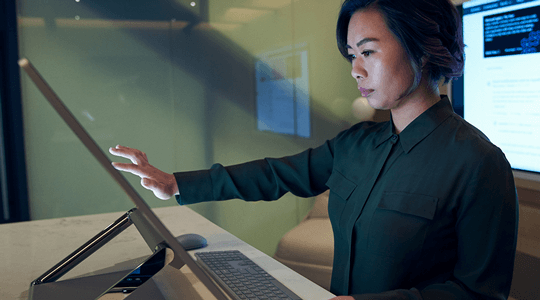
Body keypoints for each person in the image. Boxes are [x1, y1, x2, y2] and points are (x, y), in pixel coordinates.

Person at [110, 0, 519, 299]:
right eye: (352, 55)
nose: (356, 70)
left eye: (369, 51)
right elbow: (274, 174)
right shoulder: (357, 143)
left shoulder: (478, 163)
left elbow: (477, 294)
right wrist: (175, 182)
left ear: (424, 46)